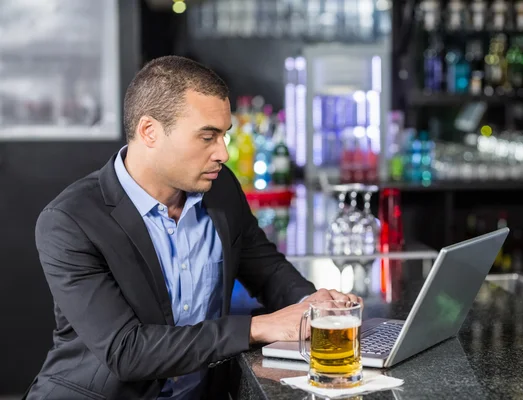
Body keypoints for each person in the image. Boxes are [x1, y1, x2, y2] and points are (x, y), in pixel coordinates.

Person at [25, 56, 361, 400]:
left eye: (224, 135)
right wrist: (261, 327)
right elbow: (126, 351)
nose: (223, 153)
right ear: (149, 132)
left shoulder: (221, 188)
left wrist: (314, 305)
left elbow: (267, 269)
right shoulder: (69, 221)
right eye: (207, 136)